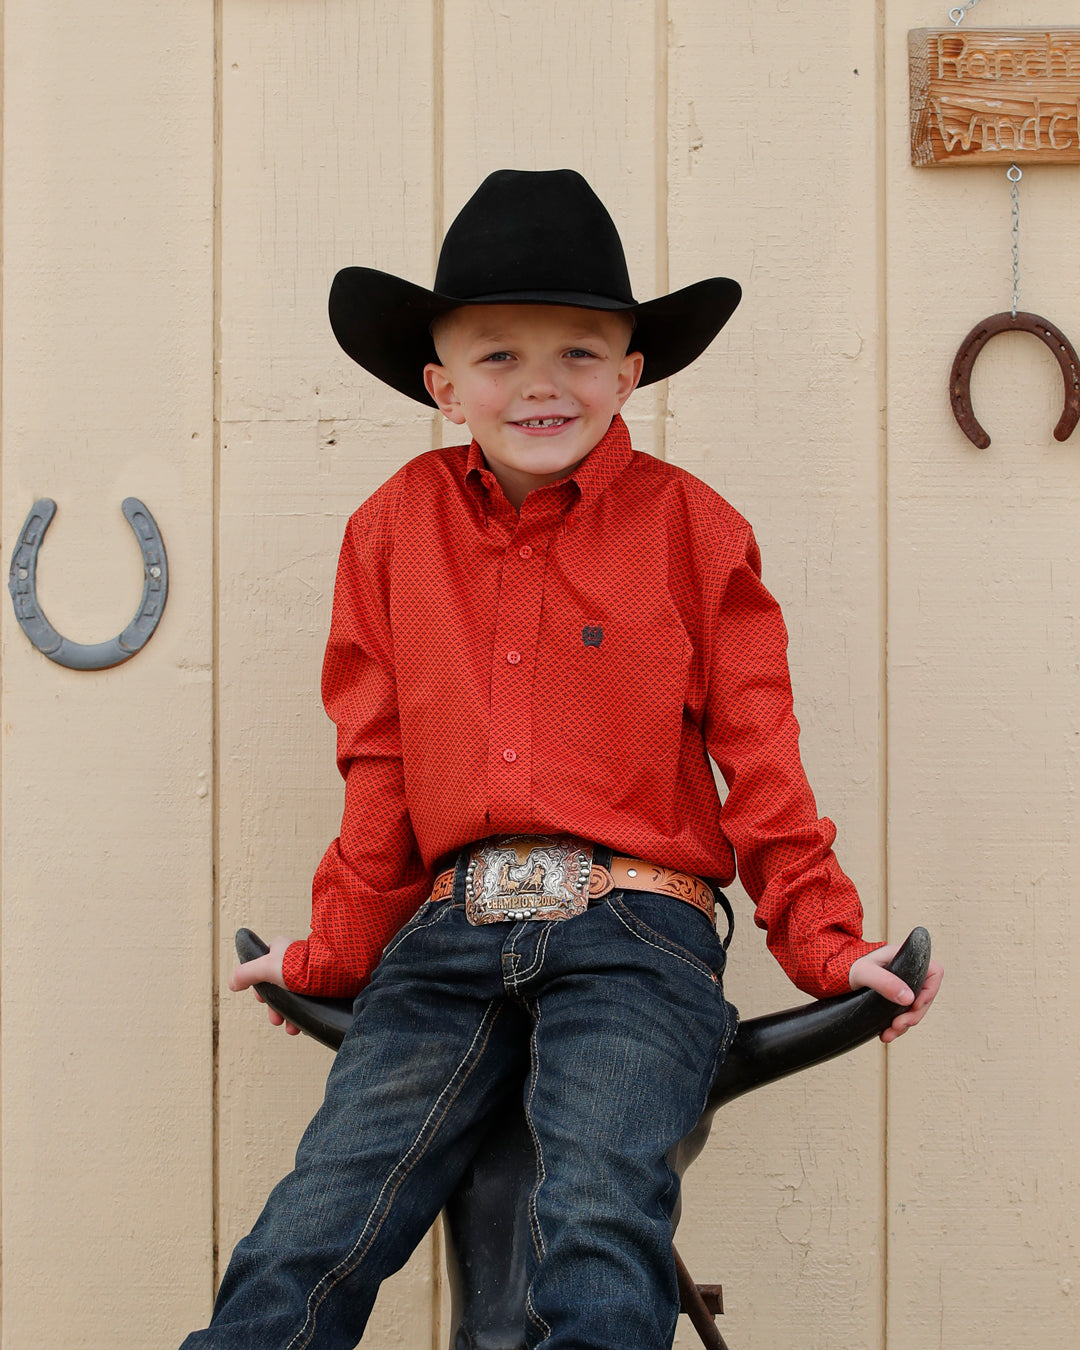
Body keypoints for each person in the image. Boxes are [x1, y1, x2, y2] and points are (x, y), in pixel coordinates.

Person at [181, 169, 942, 1350]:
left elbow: (760, 756)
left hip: (637, 931)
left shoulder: (696, 531)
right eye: (498, 356)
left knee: (596, 1214)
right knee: (318, 1220)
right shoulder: (390, 531)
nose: (542, 384)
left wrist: (828, 943)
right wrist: (336, 952)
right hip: (448, 933)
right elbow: (378, 765)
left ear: (630, 372)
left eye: (580, 352)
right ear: (441, 384)